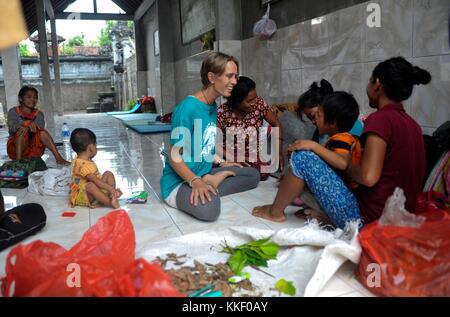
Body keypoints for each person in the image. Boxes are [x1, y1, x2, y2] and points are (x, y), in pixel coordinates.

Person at [160, 52, 260, 222]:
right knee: (210, 210)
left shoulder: (212, 105)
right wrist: (195, 181)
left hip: (203, 171)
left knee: (252, 175)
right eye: (229, 76)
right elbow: (174, 156)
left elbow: (207, 141)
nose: (235, 81)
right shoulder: (187, 109)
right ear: (212, 77)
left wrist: (225, 162)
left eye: (235, 76)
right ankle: (208, 185)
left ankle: (210, 182)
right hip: (180, 181)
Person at [252, 92, 362, 230]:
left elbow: (342, 163)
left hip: (347, 211)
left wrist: (312, 146)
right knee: (302, 166)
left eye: (317, 116)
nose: (314, 121)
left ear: (333, 122)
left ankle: (275, 212)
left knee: (302, 157)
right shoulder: (336, 138)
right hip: (345, 207)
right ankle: (321, 214)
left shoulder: (343, 138)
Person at [347, 56, 430, 225]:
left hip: (373, 219)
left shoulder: (380, 119)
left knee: (305, 159)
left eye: (370, 80)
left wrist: (349, 166)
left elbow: (368, 177)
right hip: (403, 218)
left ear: (377, 85)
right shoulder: (413, 125)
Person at [217, 76, 283, 181]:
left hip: (252, 155)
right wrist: (233, 158)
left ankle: (234, 173)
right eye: (249, 100)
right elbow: (215, 142)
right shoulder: (223, 111)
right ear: (237, 101)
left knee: (263, 171)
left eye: (255, 98)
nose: (254, 102)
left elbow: (276, 123)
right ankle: (232, 170)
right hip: (229, 154)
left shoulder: (259, 105)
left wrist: (278, 151)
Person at [7, 86, 70, 165]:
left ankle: (58, 158)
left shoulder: (39, 114)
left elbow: (40, 128)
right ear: (21, 98)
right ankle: (18, 162)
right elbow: (12, 127)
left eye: (35, 98)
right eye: (29, 97)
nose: (32, 100)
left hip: (34, 151)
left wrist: (29, 127)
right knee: (22, 130)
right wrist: (24, 125)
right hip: (16, 150)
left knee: (42, 132)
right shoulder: (13, 111)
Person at [69, 128, 123, 209]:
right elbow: (96, 181)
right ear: (90, 148)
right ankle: (109, 202)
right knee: (90, 185)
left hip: (93, 188)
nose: (96, 147)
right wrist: (110, 188)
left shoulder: (84, 159)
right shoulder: (83, 165)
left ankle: (111, 195)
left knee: (108, 173)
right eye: (95, 145)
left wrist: (111, 190)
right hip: (82, 195)